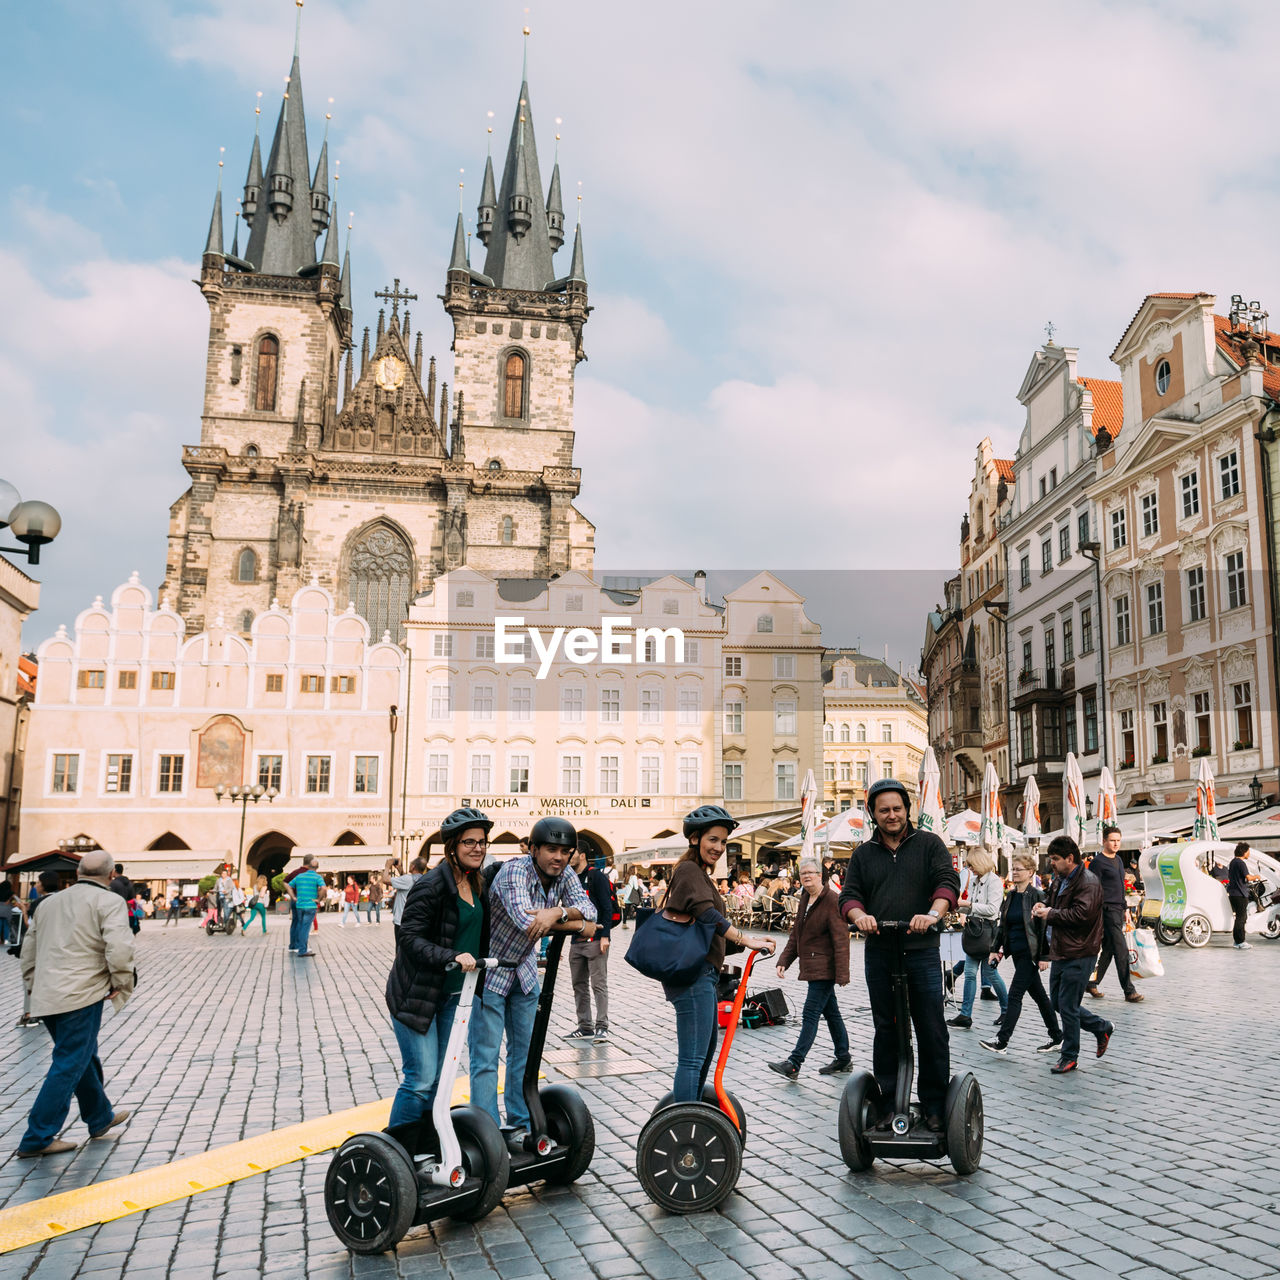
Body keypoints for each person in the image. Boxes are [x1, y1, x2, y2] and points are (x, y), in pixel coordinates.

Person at [840, 778, 960, 1132]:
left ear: (908, 810)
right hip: (879, 950)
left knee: (931, 1027)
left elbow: (947, 883)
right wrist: (859, 916)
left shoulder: (929, 844)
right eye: (884, 810)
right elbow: (849, 896)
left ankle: (936, 1105)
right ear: (873, 815)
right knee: (886, 1028)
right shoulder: (863, 854)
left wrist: (933, 915)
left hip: (921, 950)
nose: (891, 815)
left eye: (897, 808)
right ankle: (892, 1104)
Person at [474, 815, 598, 1151]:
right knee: (485, 1058)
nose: (558, 857)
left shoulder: (565, 874)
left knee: (525, 1056)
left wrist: (555, 914)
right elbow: (526, 921)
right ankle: (486, 1137)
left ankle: (521, 1126)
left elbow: (591, 910)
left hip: (525, 974)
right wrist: (576, 925)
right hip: (491, 972)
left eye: (565, 851)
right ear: (533, 849)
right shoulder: (514, 872)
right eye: (551, 850)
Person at [16, 850, 134, 1157]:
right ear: (111, 877)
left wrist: (33, 985)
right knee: (69, 1062)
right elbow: (119, 947)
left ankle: (99, 1117)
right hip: (82, 994)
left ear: (78, 872)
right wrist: (121, 982)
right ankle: (37, 1136)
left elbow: (30, 951)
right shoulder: (109, 902)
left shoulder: (48, 903)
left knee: (83, 1056)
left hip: (47, 994)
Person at [385, 808, 491, 1129]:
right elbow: (409, 938)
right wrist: (452, 955)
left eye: (482, 842)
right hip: (417, 995)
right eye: (469, 842)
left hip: (454, 996)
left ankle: (427, 1145)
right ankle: (398, 1151)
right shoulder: (430, 886)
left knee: (441, 1080)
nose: (478, 848)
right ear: (452, 848)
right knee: (420, 1079)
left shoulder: (478, 884)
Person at [663, 806, 776, 1104]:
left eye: (723, 842)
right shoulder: (688, 870)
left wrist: (746, 943)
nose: (718, 847)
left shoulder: (700, 874)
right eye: (713, 839)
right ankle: (685, 1122)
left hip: (704, 975)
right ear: (695, 839)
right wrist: (745, 938)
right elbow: (707, 915)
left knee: (704, 1053)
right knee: (692, 1058)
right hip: (692, 976)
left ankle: (693, 1111)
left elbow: (708, 932)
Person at [1032, 836, 1112, 1074]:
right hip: (1062, 950)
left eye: (1055, 859)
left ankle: (1070, 1056)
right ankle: (1101, 1027)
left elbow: (1081, 915)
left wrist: (1050, 913)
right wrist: (1042, 905)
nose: (1052, 864)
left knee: (1067, 1005)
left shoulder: (1088, 882)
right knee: (1058, 1001)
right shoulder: (1061, 880)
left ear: (1070, 858)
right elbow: (1053, 901)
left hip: (1080, 950)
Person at [770, 858, 851, 1079]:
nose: (806, 877)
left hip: (825, 968)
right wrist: (784, 961)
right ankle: (843, 1058)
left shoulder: (832, 900)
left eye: (811, 873)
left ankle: (794, 1063)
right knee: (831, 1013)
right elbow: (797, 935)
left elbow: (841, 939)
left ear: (820, 875)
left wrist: (842, 973)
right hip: (812, 965)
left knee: (810, 1013)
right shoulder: (806, 898)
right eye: (803, 873)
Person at [980, 853, 1061, 1056]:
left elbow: (1045, 929)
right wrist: (995, 949)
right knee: (1041, 997)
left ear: (1030, 872)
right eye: (1013, 869)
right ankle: (1058, 1037)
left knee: (1015, 995)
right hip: (1016, 952)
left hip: (1030, 954)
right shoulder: (1011, 896)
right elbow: (1003, 926)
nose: (1014, 872)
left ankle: (1002, 1040)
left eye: (1019, 869)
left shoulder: (1038, 896)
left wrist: (1044, 956)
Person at [948, 849, 1009, 1031]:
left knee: (990, 974)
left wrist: (969, 905)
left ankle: (1007, 1010)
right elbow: (974, 909)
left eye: (971, 864)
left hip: (988, 933)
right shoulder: (975, 882)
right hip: (975, 931)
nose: (969, 868)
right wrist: (958, 908)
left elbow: (992, 909)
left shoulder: (994, 882)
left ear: (981, 863)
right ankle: (965, 1015)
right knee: (969, 973)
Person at [1087, 825, 1143, 1001]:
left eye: (1118, 840)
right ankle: (1129, 991)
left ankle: (1091, 983)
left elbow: (1119, 886)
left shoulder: (1118, 860)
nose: (1116, 843)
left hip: (1118, 909)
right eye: (1112, 840)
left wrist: (1125, 909)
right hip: (1106, 910)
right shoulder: (1098, 862)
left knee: (1109, 950)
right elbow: (1093, 888)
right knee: (1121, 950)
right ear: (1104, 841)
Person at [565, 847, 614, 1042]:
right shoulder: (570, 879)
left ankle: (602, 1026)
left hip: (596, 940)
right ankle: (584, 1026)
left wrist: (605, 936)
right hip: (576, 940)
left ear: (582, 855)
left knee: (598, 985)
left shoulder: (596, 877)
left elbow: (606, 907)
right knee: (579, 985)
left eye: (571, 852)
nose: (568, 857)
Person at [15, 871, 61, 1028]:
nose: (37, 885)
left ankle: (30, 1014)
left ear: (44, 884)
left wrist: (24, 911)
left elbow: (31, 927)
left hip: (40, 947)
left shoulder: (39, 903)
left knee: (31, 977)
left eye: (39, 882)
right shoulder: (62, 899)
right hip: (58, 946)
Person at [382, 856, 429, 947]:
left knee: (400, 949)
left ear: (413, 867)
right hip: (415, 920)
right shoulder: (423, 878)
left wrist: (387, 866)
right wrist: (400, 869)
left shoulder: (408, 879)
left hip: (401, 921)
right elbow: (405, 882)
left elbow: (385, 880)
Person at [286, 855, 325, 956]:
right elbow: (324, 888)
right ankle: (302, 950)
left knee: (300, 925)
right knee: (305, 927)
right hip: (310, 905)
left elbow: (289, 886)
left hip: (299, 905)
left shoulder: (299, 876)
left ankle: (299, 946)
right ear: (317, 867)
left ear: (308, 866)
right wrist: (318, 899)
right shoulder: (317, 877)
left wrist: (293, 897)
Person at [1226, 841, 1260, 950]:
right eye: (1248, 851)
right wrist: (1257, 877)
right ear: (1244, 852)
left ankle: (1237, 941)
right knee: (1241, 918)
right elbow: (1249, 877)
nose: (1249, 854)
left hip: (1233, 893)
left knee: (1240, 918)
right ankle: (1240, 941)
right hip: (1240, 894)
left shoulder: (1232, 862)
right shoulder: (1241, 863)